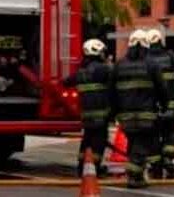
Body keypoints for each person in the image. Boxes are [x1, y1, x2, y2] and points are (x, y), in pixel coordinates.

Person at [113, 29, 167, 189]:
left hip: (125, 116)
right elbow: (161, 89)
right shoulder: (151, 65)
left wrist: (115, 112)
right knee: (142, 144)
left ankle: (136, 173)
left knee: (133, 142)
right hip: (146, 115)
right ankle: (134, 175)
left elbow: (112, 90)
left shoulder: (119, 65)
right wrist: (164, 105)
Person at [63, 38, 112, 176]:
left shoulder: (80, 72)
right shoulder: (103, 69)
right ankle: (94, 168)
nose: (104, 55)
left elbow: (66, 82)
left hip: (86, 115)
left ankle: (81, 167)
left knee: (87, 141)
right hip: (101, 114)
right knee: (98, 142)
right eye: (102, 52)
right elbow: (114, 85)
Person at [145, 28, 174, 179]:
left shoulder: (146, 58)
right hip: (171, 104)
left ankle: (155, 167)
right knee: (170, 132)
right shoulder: (170, 55)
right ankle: (168, 160)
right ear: (161, 40)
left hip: (152, 106)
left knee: (153, 135)